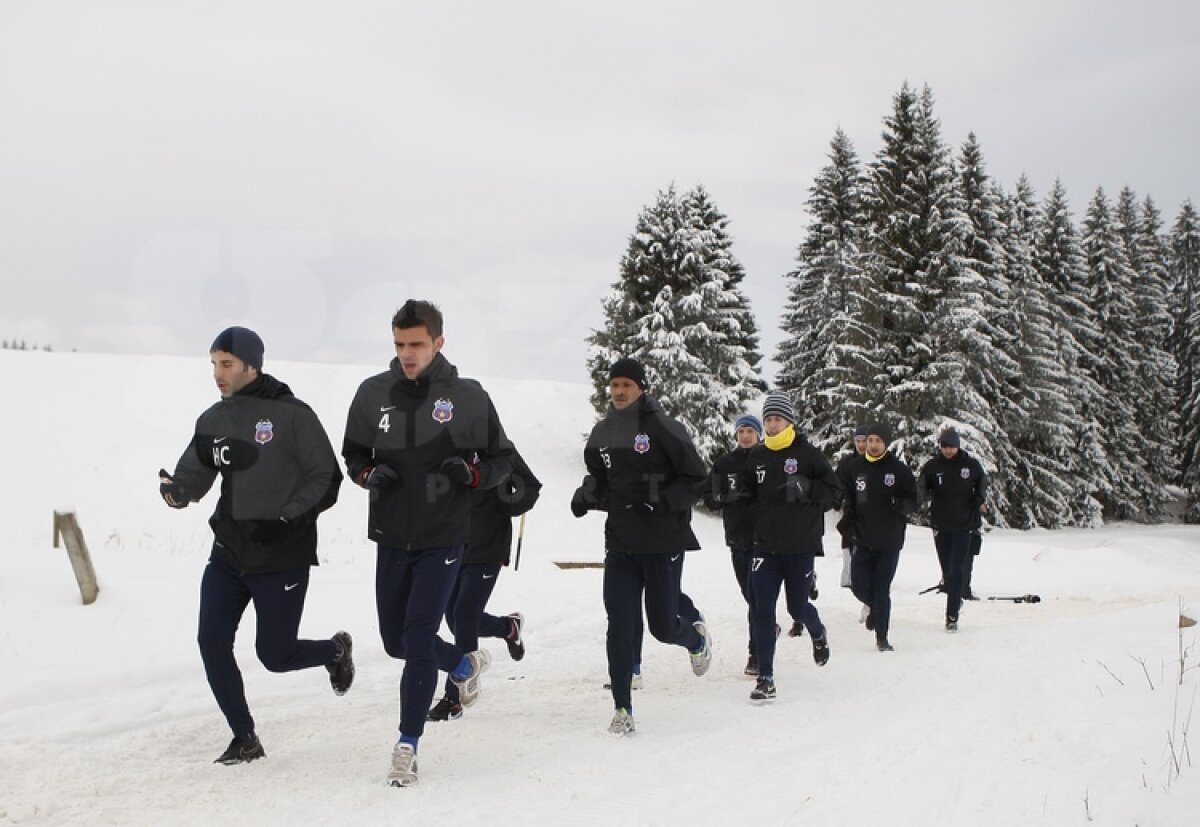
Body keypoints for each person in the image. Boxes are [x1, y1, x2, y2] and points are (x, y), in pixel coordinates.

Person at [158, 326, 350, 766]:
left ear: (251, 365)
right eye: (213, 364)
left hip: (281, 553)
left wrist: (287, 518)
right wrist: (178, 491)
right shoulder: (213, 419)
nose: (217, 374)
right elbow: (195, 472)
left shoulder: (293, 415)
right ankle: (244, 736)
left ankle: (335, 651)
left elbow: (326, 478)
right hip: (229, 551)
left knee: (276, 656)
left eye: (226, 365)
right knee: (211, 642)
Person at [342, 300, 514, 787]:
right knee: (396, 641)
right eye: (399, 345)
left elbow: (502, 459)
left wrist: (474, 472)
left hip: (444, 537)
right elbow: (353, 453)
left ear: (439, 342)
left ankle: (407, 744)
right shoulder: (373, 393)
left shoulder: (468, 396)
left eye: (416, 344)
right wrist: (368, 473)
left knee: (417, 638)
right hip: (391, 535)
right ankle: (463, 662)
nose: (406, 354)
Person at [571, 357, 712, 736]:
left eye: (626, 385)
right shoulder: (602, 432)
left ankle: (695, 638)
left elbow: (696, 478)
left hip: (662, 541)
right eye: (614, 385)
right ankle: (622, 707)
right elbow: (600, 479)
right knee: (619, 624)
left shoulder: (664, 428)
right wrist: (586, 497)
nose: (618, 391)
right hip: (620, 543)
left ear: (642, 388)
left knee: (663, 628)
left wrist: (663, 501)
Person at [739, 391, 842, 701]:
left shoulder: (807, 454)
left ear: (789, 422)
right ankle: (766, 678)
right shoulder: (756, 456)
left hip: (799, 546)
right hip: (764, 547)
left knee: (796, 608)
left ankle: (818, 631)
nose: (772, 425)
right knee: (762, 611)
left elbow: (834, 491)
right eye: (768, 419)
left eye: (777, 419)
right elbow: (747, 494)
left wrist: (808, 487)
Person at [428, 448, 541, 722]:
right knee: (455, 620)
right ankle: (508, 627)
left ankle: (454, 697)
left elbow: (531, 487)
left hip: (489, 544)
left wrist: (507, 505)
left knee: (465, 615)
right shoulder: (449, 443)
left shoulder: (499, 448)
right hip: (454, 543)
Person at [840, 422, 918, 652]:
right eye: (870, 441)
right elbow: (849, 499)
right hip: (862, 538)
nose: (872, 445)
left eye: (877, 441)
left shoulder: (898, 470)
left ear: (886, 443)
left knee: (882, 588)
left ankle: (882, 638)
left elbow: (914, 500)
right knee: (858, 585)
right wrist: (848, 524)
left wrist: (898, 504)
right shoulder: (855, 468)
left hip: (889, 540)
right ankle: (875, 607)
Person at [706, 413, 765, 676]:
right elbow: (710, 497)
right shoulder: (724, 463)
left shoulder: (767, 459)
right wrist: (726, 497)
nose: (745, 436)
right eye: (741, 432)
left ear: (758, 434)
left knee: (758, 599)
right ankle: (765, 629)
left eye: (750, 432)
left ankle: (757, 652)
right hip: (738, 538)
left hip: (765, 539)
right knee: (749, 596)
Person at [917, 428, 989, 631]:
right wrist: (916, 501)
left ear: (958, 446)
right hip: (941, 523)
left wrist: (980, 498)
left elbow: (982, 481)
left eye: (952, 447)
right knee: (947, 572)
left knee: (958, 568)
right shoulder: (932, 466)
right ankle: (956, 598)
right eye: (945, 447)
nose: (948, 450)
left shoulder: (970, 464)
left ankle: (951, 616)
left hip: (964, 523)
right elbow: (922, 486)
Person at [836, 424, 871, 622]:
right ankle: (866, 598)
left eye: (864, 440)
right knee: (851, 572)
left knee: (868, 565)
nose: (861, 445)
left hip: (872, 522)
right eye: (857, 441)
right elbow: (837, 486)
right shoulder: (847, 463)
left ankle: (871, 604)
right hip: (850, 521)